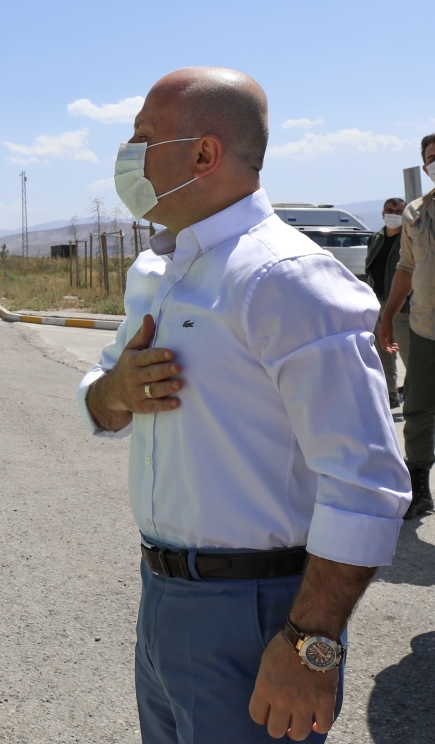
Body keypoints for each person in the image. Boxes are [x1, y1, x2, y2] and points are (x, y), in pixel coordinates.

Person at [78, 67, 410, 743]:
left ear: (204, 154)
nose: (127, 154)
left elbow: (367, 485)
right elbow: (100, 398)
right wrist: (114, 392)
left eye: (142, 136)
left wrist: (310, 647)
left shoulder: (286, 279)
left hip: (260, 613)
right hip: (165, 599)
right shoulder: (157, 274)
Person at [381, 133, 435, 519]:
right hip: (426, 329)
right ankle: (420, 492)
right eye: (432, 157)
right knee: (418, 411)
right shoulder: (415, 211)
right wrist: (387, 315)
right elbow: (406, 268)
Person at [366, 197, 409, 408]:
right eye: (390, 210)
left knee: (410, 357)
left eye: (399, 211)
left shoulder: (410, 238)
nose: (394, 214)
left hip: (403, 308)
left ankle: (417, 400)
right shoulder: (376, 238)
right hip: (378, 303)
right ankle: (390, 396)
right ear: (383, 213)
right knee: (383, 355)